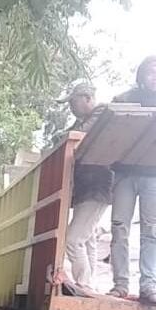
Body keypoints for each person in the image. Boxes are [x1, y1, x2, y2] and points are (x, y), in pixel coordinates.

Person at [56, 82, 112, 292]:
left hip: (95, 188)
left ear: (87, 98)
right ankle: (88, 283)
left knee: (73, 239)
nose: (71, 107)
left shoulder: (101, 115)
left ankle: (83, 285)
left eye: (73, 102)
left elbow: (78, 138)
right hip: (85, 190)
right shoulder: (86, 120)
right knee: (87, 239)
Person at [110, 56, 156, 303]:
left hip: (153, 176)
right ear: (141, 75)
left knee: (152, 231)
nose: (155, 76)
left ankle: (149, 285)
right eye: (151, 71)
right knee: (119, 227)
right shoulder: (126, 99)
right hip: (126, 173)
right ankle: (120, 284)